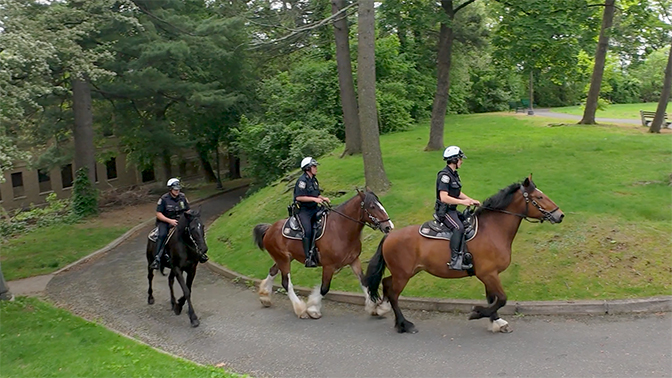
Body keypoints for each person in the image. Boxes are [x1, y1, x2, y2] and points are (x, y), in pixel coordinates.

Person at [435, 146, 480, 270]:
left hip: (452, 210)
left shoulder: (454, 175)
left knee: (466, 224)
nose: (462, 161)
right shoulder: (445, 176)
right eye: (460, 159)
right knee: (458, 227)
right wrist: (463, 203)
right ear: (454, 160)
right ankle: (455, 260)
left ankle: (465, 253)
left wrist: (470, 200)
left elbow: (457, 193)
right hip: (444, 211)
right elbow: (444, 197)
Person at [149, 178, 194, 270]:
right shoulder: (164, 199)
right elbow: (158, 214)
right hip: (166, 222)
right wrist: (170, 221)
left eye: (178, 189)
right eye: (175, 190)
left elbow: (187, 209)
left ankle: (198, 253)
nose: (177, 191)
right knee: (162, 235)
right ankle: (157, 258)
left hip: (180, 221)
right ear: (170, 189)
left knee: (193, 231)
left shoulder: (182, 197)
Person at [293, 157, 330, 268]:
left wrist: (323, 198)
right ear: (308, 168)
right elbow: (299, 197)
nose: (316, 168)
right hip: (304, 211)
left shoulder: (314, 180)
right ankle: (308, 257)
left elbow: (316, 194)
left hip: (314, 208)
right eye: (314, 166)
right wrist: (314, 200)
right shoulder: (302, 181)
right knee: (307, 230)